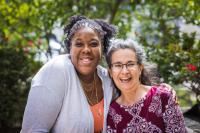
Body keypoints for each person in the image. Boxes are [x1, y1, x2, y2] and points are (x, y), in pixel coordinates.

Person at [20, 15, 117, 133]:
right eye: (79, 44)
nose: (86, 50)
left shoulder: (107, 79)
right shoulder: (56, 70)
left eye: (93, 44)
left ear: (103, 48)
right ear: (69, 48)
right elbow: (33, 130)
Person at [106, 39, 187, 133]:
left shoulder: (163, 97)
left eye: (130, 64)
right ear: (110, 72)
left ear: (140, 68)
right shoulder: (113, 112)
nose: (125, 71)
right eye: (118, 65)